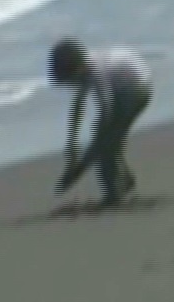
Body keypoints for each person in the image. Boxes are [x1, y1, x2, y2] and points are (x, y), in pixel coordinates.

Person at [48, 39, 153, 207]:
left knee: (105, 146)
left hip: (135, 89)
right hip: (121, 85)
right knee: (109, 141)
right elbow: (78, 106)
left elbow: (107, 109)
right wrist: (72, 143)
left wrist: (80, 167)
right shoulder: (84, 66)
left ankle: (114, 194)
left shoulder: (96, 72)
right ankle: (125, 179)